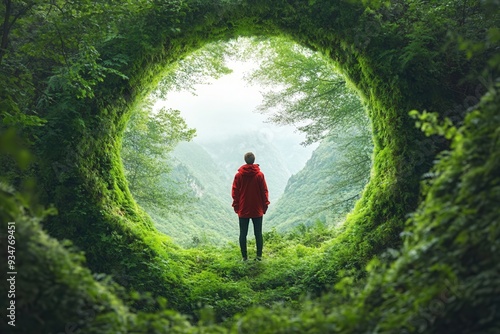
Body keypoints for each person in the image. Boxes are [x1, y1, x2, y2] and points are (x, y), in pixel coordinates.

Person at [232, 152, 270, 262]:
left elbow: (235, 192)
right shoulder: (259, 175)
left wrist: (236, 205)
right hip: (257, 209)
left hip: (243, 208)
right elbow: (264, 191)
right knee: (258, 233)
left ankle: (244, 257)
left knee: (243, 233)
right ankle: (259, 256)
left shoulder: (239, 175)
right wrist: (265, 205)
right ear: (254, 160)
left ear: (245, 160)